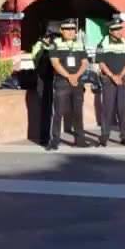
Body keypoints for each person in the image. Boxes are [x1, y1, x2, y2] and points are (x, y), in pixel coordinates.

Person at [45, 19, 89, 151]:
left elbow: (85, 62)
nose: (71, 32)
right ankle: (54, 141)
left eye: (73, 30)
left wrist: (76, 76)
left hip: (77, 82)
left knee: (78, 111)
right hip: (62, 82)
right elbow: (55, 63)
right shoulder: (55, 44)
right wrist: (69, 76)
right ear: (61, 31)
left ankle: (80, 140)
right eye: (67, 29)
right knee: (58, 112)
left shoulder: (79, 44)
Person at [96, 16, 125, 147]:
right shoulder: (103, 43)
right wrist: (113, 76)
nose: (119, 32)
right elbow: (101, 63)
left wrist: (120, 75)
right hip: (109, 81)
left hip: (122, 81)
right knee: (108, 109)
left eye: (120, 29)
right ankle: (104, 136)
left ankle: (124, 136)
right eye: (116, 30)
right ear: (111, 31)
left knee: (122, 110)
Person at [31, 28, 58, 147]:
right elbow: (36, 60)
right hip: (43, 80)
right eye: (52, 37)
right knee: (45, 110)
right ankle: (44, 138)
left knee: (48, 110)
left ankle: (47, 137)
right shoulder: (40, 46)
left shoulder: (47, 46)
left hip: (50, 80)